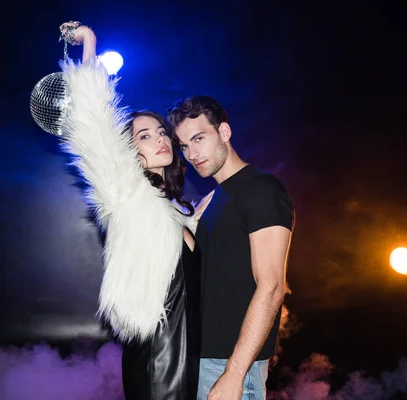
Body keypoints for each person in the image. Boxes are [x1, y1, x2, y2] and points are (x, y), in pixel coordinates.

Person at [54, 22, 201, 399]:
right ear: (130, 151)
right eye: (144, 136)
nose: (159, 139)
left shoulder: (178, 210)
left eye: (160, 132)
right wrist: (90, 46)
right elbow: (94, 128)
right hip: (159, 353)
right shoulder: (123, 192)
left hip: (195, 349)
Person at [168, 96, 295, 400]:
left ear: (224, 132)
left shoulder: (261, 189)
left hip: (233, 365)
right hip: (205, 359)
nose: (192, 153)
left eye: (199, 138)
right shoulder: (213, 200)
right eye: (184, 146)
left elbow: (273, 287)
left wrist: (234, 374)